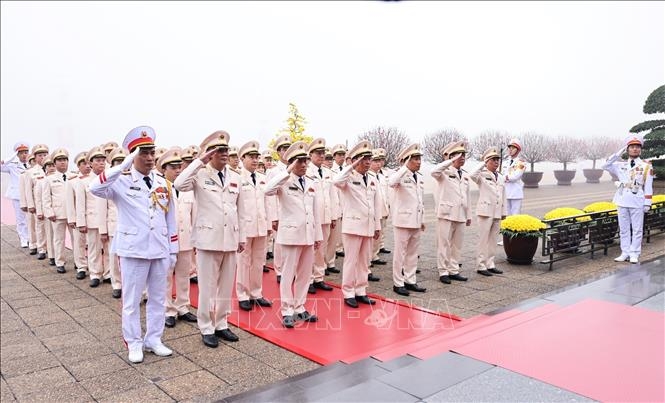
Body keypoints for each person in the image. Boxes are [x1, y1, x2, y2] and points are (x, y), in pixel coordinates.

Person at [89, 126, 177, 364]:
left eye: (152, 152)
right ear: (133, 156)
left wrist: (173, 250)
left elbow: (171, 220)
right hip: (133, 249)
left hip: (159, 248)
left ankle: (154, 339)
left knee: (158, 298)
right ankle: (134, 342)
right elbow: (94, 187)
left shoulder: (164, 183)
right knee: (132, 301)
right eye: (143, 153)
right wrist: (122, 166)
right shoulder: (121, 181)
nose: (149, 158)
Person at [174, 130, 245, 348]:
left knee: (226, 286)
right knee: (207, 287)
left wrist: (241, 237)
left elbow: (240, 211)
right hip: (208, 239)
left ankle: (221, 323)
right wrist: (199, 161)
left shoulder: (235, 177)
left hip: (230, 238)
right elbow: (179, 184)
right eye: (219, 150)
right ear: (209, 154)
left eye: (226, 150)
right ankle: (206, 327)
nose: (224, 153)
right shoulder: (200, 174)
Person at [264, 141, 323, 327]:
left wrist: (318, 236)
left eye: (305, 161)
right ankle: (287, 310)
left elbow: (315, 211)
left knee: (305, 274)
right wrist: (287, 171)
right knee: (288, 274)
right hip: (291, 235)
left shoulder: (311, 182)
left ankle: (299, 307)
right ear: (291, 163)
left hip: (308, 234)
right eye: (300, 161)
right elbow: (268, 190)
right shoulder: (283, 180)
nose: (304, 165)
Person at [333, 141, 381, 308]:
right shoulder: (348, 177)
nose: (367, 162)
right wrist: (351, 165)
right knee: (351, 261)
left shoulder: (372, 178)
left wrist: (377, 226)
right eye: (363, 159)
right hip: (353, 227)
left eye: (369, 158)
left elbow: (376, 204)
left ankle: (361, 290)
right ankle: (348, 292)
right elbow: (336, 181)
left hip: (368, 226)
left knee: (364, 261)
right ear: (355, 160)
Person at [603, 134, 654, 264]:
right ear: (627, 149)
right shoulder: (620, 165)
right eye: (632, 147)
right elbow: (605, 165)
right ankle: (625, 252)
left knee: (637, 229)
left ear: (640, 149)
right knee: (624, 229)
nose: (635, 149)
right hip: (622, 199)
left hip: (637, 200)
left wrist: (647, 203)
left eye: (637, 147)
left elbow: (648, 185)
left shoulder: (646, 166)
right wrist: (617, 154)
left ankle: (634, 253)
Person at [236, 141, 273, 311]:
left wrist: (269, 223)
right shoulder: (237, 178)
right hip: (245, 227)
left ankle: (256, 293)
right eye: (251, 157)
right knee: (244, 262)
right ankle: (243, 294)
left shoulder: (262, 178)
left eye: (257, 157)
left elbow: (267, 203)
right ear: (242, 158)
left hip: (261, 225)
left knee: (258, 261)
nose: (255, 160)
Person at [388, 144, 427, 296]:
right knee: (400, 254)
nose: (419, 162)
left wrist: (422, 219)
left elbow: (420, 200)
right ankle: (398, 283)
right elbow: (391, 183)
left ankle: (410, 280)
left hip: (416, 221)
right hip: (403, 221)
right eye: (415, 159)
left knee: (413, 253)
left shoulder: (419, 177)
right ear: (407, 160)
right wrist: (404, 167)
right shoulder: (399, 174)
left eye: (419, 159)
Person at [431, 141, 470, 284]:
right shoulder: (444, 173)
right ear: (451, 157)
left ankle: (453, 270)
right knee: (444, 244)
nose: (462, 158)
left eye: (463, 155)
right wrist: (449, 161)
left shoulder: (464, 175)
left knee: (457, 245)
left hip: (460, 214)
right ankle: (443, 271)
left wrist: (468, 215)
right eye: (459, 155)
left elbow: (467, 196)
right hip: (446, 214)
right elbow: (434, 171)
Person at [306, 138, 337, 293]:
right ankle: (308, 279)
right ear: (310, 155)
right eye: (318, 153)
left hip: (325, 216)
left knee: (322, 249)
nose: (321, 156)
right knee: (311, 249)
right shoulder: (306, 172)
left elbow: (333, 195)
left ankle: (319, 277)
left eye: (322, 153)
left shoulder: (327, 172)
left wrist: (334, 216)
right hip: (312, 217)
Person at [469, 147, 507, 276]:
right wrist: (483, 163)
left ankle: (490, 264)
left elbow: (503, 195)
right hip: (485, 211)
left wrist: (504, 212)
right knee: (483, 240)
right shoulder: (481, 175)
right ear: (487, 161)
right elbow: (472, 174)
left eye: (497, 160)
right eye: (493, 160)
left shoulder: (500, 177)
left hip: (497, 211)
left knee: (493, 240)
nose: (496, 162)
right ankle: (481, 265)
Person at [76, 146, 111, 287]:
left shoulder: (109, 178)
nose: (101, 163)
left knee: (109, 249)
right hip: (92, 219)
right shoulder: (83, 181)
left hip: (108, 219)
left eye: (103, 160)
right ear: (90, 163)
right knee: (94, 248)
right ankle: (95, 274)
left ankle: (108, 273)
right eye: (97, 160)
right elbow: (80, 203)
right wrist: (81, 222)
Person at [42, 148, 77, 273]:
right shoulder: (49, 179)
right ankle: (60, 262)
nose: (63, 162)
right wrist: (49, 212)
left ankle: (79, 262)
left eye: (65, 160)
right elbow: (46, 198)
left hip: (73, 214)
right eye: (60, 160)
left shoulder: (74, 176)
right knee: (59, 239)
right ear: (55, 163)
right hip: (57, 214)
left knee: (77, 239)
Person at [265, 135, 292, 283]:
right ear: (278, 152)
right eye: (284, 149)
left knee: (292, 243)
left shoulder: (295, 168)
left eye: (289, 148)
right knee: (280, 243)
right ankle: (280, 270)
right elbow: (270, 196)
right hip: (280, 212)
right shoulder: (273, 171)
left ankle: (290, 270)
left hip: (292, 212)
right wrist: (274, 217)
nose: (287, 151)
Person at [1, 141, 31, 247]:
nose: (24, 155)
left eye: (26, 152)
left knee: (31, 218)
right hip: (18, 195)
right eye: (21, 153)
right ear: (17, 154)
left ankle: (31, 238)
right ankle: (23, 238)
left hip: (31, 195)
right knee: (21, 218)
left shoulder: (32, 164)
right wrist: (10, 158)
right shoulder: (12, 165)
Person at [23, 144, 50, 259]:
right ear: (35, 157)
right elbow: (28, 190)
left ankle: (50, 248)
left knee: (51, 228)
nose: (43, 157)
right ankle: (41, 248)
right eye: (40, 155)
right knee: (40, 227)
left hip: (50, 203)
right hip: (38, 204)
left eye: (45, 154)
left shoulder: (51, 169)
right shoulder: (31, 172)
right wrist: (30, 205)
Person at [67, 152, 91, 279]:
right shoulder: (73, 181)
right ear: (78, 166)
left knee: (93, 244)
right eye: (84, 164)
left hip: (92, 216)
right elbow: (70, 202)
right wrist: (72, 219)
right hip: (79, 217)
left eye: (89, 163)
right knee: (79, 243)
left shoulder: (95, 179)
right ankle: (81, 266)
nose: (87, 166)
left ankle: (94, 267)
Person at [502, 138, 526, 216]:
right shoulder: (504, 163)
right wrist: (505, 177)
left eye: (513, 148)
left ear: (518, 150)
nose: (510, 150)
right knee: (506, 216)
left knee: (515, 216)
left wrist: (504, 178)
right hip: (506, 192)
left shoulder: (521, 163)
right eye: (509, 148)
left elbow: (515, 177)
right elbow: (500, 174)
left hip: (516, 193)